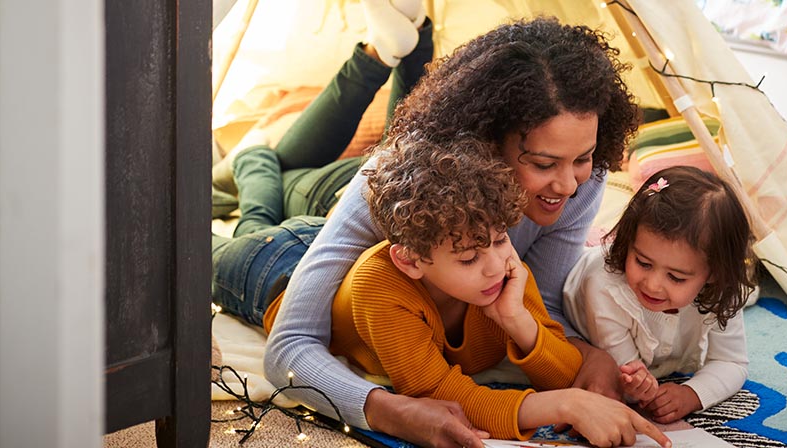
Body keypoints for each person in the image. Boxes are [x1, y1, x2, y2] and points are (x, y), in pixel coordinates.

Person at [261, 13, 645, 448]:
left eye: (583, 158)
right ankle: (256, 160)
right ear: (485, 142)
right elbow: (288, 348)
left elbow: (541, 305)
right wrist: (390, 411)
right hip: (287, 250)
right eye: (543, 164)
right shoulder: (389, 182)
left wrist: (587, 355)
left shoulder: (580, 182)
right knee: (268, 191)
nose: (569, 185)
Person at [300, 137, 667, 444]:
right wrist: (564, 406)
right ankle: (258, 162)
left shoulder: (505, 272)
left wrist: (517, 320)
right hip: (277, 266)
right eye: (468, 258)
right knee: (260, 214)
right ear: (411, 261)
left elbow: (566, 372)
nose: (496, 264)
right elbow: (438, 393)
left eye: (500, 239)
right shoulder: (381, 287)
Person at [562, 166, 757, 424]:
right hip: (579, 279)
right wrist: (636, 384)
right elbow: (624, 377)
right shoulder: (604, 288)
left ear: (714, 273)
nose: (652, 285)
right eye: (643, 262)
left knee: (745, 291)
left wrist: (692, 394)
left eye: (676, 277)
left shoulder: (723, 290)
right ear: (628, 243)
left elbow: (732, 362)